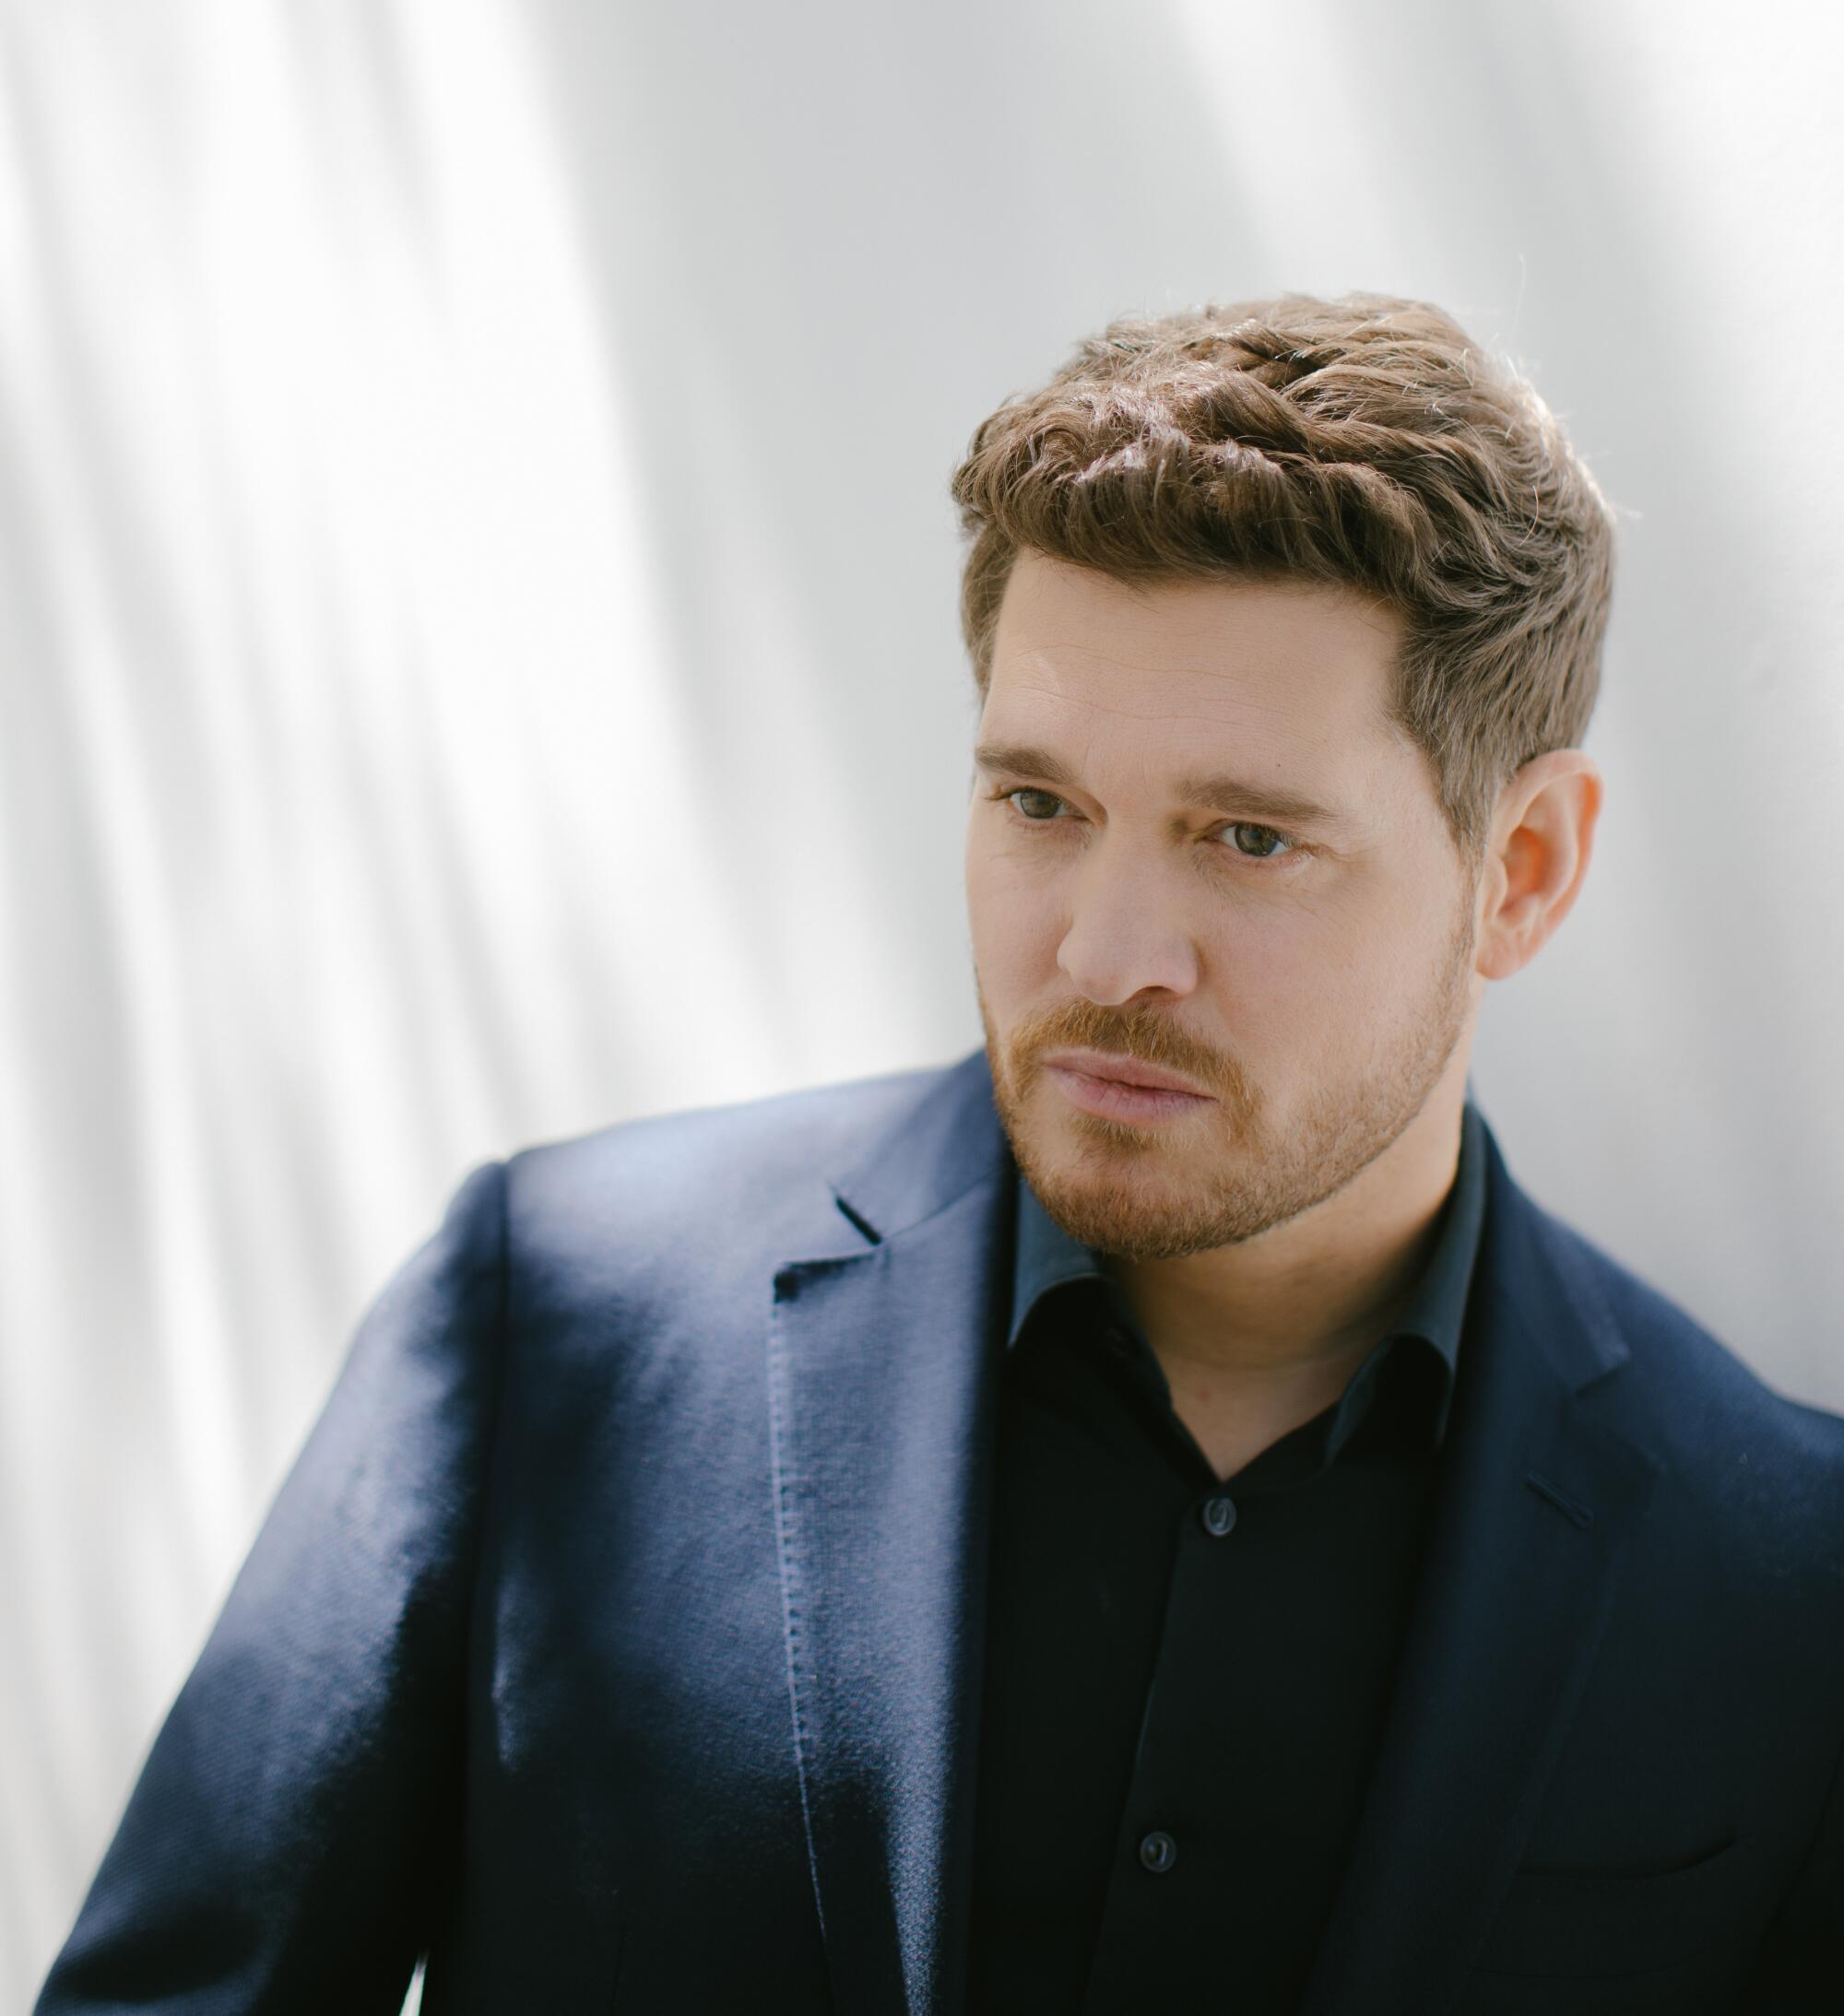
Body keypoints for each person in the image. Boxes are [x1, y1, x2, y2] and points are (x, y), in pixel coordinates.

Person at [36, 295, 1843, 2014]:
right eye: (1039, 804)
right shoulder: (549, 1322)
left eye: (1247, 839)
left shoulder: (1781, 1582)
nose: (1106, 951)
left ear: (1518, 870)